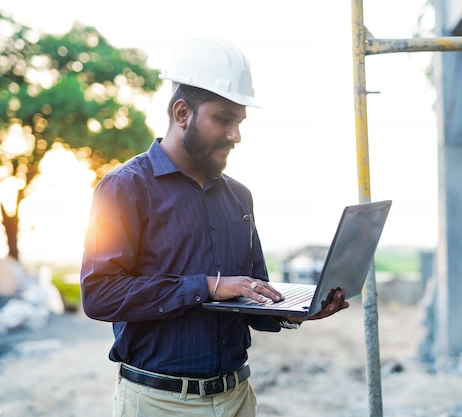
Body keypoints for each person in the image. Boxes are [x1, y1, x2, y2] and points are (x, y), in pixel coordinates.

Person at [80, 37, 349, 417]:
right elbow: (100, 294)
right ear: (182, 113)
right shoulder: (124, 187)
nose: (235, 135)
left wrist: (292, 312)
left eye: (238, 122)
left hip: (237, 397)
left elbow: (249, 295)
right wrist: (207, 286)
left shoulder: (239, 196)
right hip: (160, 403)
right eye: (223, 119)